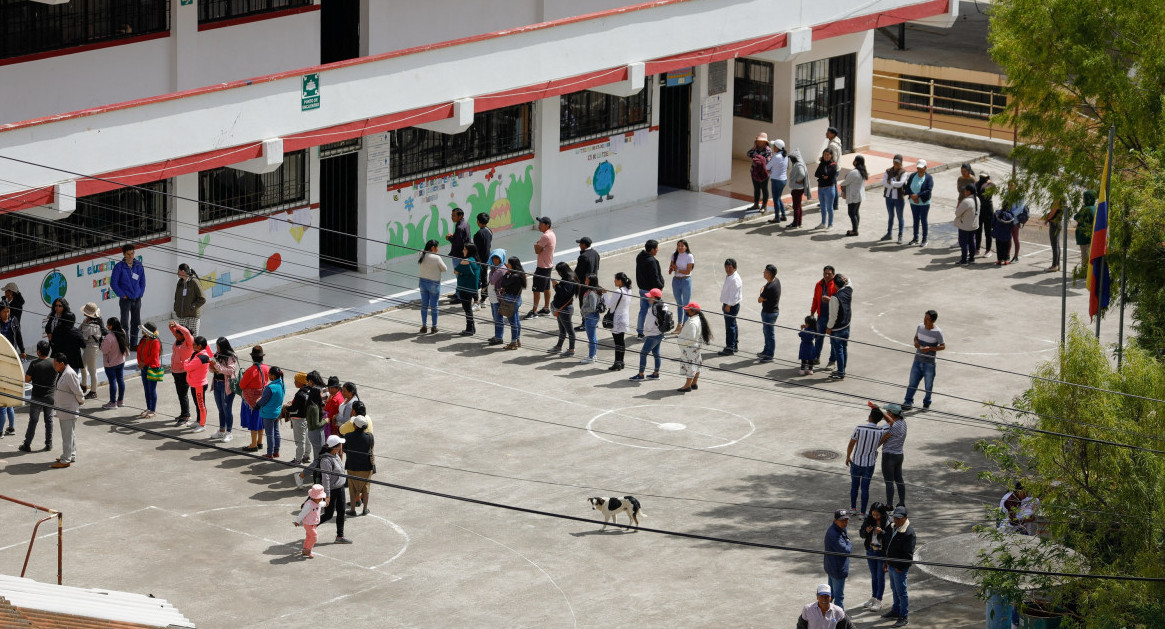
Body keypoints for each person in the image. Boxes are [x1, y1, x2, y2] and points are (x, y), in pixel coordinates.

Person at [846, 404, 887, 516]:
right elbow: (891, 423)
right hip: (869, 464)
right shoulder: (881, 430)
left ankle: (853, 508)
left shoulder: (859, 428)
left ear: (869, 416)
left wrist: (848, 456)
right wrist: (880, 410)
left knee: (854, 486)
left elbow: (851, 444)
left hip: (856, 462)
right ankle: (863, 513)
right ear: (879, 419)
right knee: (865, 488)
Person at [902, 310, 945, 411]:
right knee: (912, 383)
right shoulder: (920, 327)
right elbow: (916, 337)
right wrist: (916, 342)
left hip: (929, 363)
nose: (925, 321)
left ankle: (926, 403)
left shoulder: (938, 332)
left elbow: (943, 346)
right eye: (925, 318)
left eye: (928, 319)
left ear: (933, 321)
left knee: (928, 385)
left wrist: (929, 348)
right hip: (917, 360)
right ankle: (908, 402)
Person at [883, 505, 916, 627]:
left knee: (901, 592)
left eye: (899, 519)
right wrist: (886, 562)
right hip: (891, 565)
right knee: (894, 589)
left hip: (899, 568)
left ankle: (904, 616)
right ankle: (895, 610)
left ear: (905, 518)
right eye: (895, 518)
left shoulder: (908, 533)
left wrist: (899, 567)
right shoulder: (893, 527)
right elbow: (888, 545)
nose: (896, 521)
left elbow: (908, 555)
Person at [19, 341, 55, 452]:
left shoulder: (34, 364)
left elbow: (27, 379)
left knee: (33, 421)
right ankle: (49, 443)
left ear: (39, 351)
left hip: (37, 396)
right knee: (49, 420)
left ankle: (27, 444)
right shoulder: (54, 362)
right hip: (50, 396)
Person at [317, 434, 353, 544]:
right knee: (328, 515)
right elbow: (325, 479)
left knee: (341, 512)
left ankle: (340, 536)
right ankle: (311, 525)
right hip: (332, 491)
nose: (342, 446)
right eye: (340, 444)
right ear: (335, 447)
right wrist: (327, 495)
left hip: (340, 489)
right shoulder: (326, 460)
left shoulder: (336, 455)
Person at [51, 353, 85, 468]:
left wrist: (81, 401)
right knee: (70, 434)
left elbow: (78, 390)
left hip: (68, 409)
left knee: (67, 436)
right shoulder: (61, 373)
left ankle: (66, 460)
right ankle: (71, 454)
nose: (54, 366)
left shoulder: (69, 374)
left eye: (55, 364)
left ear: (62, 363)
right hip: (63, 409)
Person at [858, 502, 892, 612]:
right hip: (870, 550)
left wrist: (882, 532)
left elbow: (890, 539)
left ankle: (879, 600)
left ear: (882, 513)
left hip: (881, 553)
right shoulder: (869, 520)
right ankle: (873, 597)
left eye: (877, 515)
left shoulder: (888, 522)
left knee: (880, 576)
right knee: (874, 576)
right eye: (873, 514)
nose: (875, 517)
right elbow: (861, 534)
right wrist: (866, 531)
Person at [629, 288, 668, 382]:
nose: (648, 298)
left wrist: (645, 333)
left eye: (650, 297)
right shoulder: (663, 306)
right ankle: (656, 373)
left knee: (643, 353)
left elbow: (649, 325)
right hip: (660, 334)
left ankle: (641, 374)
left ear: (655, 297)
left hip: (653, 335)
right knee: (656, 354)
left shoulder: (653, 309)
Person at [111, 244, 146, 347]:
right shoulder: (119, 267)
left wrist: (140, 293)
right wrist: (122, 295)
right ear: (124, 254)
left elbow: (143, 281)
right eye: (128, 254)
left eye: (132, 253)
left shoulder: (138, 265)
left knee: (136, 322)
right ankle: (125, 344)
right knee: (124, 323)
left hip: (137, 299)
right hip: (125, 300)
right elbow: (114, 283)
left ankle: (134, 344)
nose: (131, 256)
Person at [239, 346, 270, 452]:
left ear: (252, 357)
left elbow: (242, 385)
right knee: (261, 420)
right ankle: (260, 442)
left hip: (252, 400)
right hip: (263, 398)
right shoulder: (266, 368)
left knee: (253, 421)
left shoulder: (251, 370)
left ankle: (253, 444)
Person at [875, 403, 907, 507]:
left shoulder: (891, 426)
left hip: (889, 456)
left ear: (892, 414)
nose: (887, 414)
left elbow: (881, 438)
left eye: (888, 412)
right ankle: (901, 502)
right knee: (899, 480)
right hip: (899, 455)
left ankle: (889, 505)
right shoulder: (903, 422)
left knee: (889, 482)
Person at [343, 416, 375, 517]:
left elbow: (345, 449)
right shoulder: (370, 436)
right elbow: (371, 448)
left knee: (352, 489)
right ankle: (365, 509)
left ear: (354, 425)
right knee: (366, 489)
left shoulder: (347, 436)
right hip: (366, 467)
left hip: (352, 466)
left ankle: (352, 509)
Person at [675, 302, 710, 392]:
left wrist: (681, 341)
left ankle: (687, 386)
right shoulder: (697, 319)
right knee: (697, 364)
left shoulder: (692, 323)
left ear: (692, 311)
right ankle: (694, 383)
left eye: (687, 309)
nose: (686, 311)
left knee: (690, 366)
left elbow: (691, 337)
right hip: (695, 347)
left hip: (689, 348)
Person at [209, 337, 239, 442]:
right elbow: (213, 370)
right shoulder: (217, 354)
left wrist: (217, 366)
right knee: (220, 409)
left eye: (219, 346)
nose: (217, 349)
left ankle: (229, 432)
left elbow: (230, 371)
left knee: (227, 409)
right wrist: (211, 367)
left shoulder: (231, 356)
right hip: (217, 383)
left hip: (227, 386)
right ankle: (221, 430)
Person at [634, 240, 665, 338]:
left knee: (642, 311)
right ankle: (656, 331)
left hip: (642, 289)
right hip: (652, 292)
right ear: (652, 249)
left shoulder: (639, 257)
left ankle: (640, 332)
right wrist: (660, 286)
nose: (657, 250)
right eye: (656, 248)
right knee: (656, 312)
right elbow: (655, 277)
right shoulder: (652, 261)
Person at [526, 216, 556, 318]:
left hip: (542, 267)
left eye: (541, 224)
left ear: (547, 225)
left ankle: (534, 311)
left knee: (536, 290)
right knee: (546, 287)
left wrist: (536, 244)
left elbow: (537, 250)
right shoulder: (551, 234)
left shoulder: (545, 236)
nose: (539, 226)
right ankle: (546, 308)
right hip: (548, 265)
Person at [825, 274, 853, 381]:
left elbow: (833, 316)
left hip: (837, 329)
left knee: (839, 350)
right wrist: (847, 278)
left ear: (835, 285)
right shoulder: (849, 290)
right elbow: (850, 282)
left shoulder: (835, 297)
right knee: (844, 348)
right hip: (846, 325)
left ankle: (841, 373)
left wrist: (829, 327)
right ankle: (842, 370)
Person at [182, 334, 212, 432]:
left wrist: (186, 361)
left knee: (201, 405)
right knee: (197, 404)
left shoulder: (201, 357)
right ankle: (199, 420)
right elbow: (189, 362)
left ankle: (202, 425)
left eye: (194, 344)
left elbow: (187, 367)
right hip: (195, 383)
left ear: (199, 346)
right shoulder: (197, 354)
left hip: (199, 385)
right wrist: (188, 361)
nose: (192, 346)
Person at [823, 509, 853, 609]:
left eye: (846, 520)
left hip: (833, 567)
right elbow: (846, 550)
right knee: (838, 597)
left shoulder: (840, 529)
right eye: (842, 520)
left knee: (830, 595)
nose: (845, 523)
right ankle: (839, 621)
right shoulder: (834, 534)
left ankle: (826, 616)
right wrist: (849, 542)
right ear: (835, 520)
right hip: (837, 569)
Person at [809, 266, 838, 369]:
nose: (826, 275)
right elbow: (815, 299)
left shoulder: (836, 285)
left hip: (832, 318)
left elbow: (838, 301)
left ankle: (832, 361)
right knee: (818, 338)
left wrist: (829, 299)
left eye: (829, 274)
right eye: (825, 273)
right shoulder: (819, 284)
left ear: (833, 275)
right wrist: (812, 312)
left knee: (833, 340)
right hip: (821, 316)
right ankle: (816, 357)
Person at [417, 239, 447, 334]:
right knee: (434, 306)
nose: (438, 249)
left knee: (424, 305)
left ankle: (424, 326)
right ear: (432, 248)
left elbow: (422, 251)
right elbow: (444, 269)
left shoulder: (421, 254)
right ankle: (434, 327)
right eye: (437, 247)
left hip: (422, 282)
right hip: (434, 283)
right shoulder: (436, 258)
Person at [603, 272, 633, 371]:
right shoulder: (629, 290)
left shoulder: (618, 291)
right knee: (621, 341)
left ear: (620, 280)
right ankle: (621, 362)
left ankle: (617, 363)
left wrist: (605, 294)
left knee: (617, 342)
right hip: (625, 318)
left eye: (616, 279)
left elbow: (609, 304)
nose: (614, 281)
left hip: (617, 318)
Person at [99, 317, 129, 410]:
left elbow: (104, 350)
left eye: (108, 325)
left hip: (110, 363)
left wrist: (101, 343)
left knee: (112, 382)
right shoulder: (122, 332)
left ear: (111, 326)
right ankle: (120, 400)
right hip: (120, 361)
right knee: (120, 380)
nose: (107, 326)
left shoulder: (109, 337)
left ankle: (112, 402)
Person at [549, 262, 577, 358]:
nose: (558, 273)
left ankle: (571, 350)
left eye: (559, 271)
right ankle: (558, 346)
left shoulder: (569, 280)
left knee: (569, 330)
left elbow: (564, 294)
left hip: (564, 309)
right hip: (562, 308)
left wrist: (556, 285)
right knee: (562, 330)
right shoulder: (569, 278)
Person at [258, 366, 286, 458]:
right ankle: (276, 451)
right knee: (276, 432)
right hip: (277, 413)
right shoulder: (282, 385)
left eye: (269, 374)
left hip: (268, 414)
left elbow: (263, 400)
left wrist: (256, 404)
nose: (268, 376)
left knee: (270, 434)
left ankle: (269, 453)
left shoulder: (270, 387)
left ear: (273, 376)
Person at [904, 160, 933, 247]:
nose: (919, 169)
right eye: (918, 168)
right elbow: (907, 187)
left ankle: (924, 239)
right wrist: (912, 196)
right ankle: (915, 238)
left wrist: (918, 196)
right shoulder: (913, 175)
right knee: (915, 220)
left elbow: (928, 190)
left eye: (921, 168)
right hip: (913, 202)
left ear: (925, 168)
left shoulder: (928, 178)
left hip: (924, 203)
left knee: (924, 220)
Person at [454, 243, 480, 336]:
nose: (463, 251)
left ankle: (469, 329)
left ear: (469, 250)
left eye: (464, 249)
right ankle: (472, 328)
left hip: (465, 288)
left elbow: (456, 271)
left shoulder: (466, 261)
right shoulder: (476, 260)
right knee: (468, 309)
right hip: (473, 288)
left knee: (467, 309)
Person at [500, 256, 526, 350]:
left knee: (513, 322)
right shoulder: (520, 274)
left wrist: (506, 274)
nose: (507, 265)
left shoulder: (513, 276)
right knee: (516, 321)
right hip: (517, 299)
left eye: (509, 263)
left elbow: (503, 283)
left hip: (510, 300)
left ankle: (513, 342)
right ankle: (517, 339)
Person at [136, 323, 162, 419]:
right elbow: (139, 351)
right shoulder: (143, 339)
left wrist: (143, 363)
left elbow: (154, 356)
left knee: (152, 390)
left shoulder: (155, 341)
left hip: (152, 368)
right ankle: (148, 407)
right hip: (144, 367)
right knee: (146, 389)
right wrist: (140, 362)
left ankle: (153, 410)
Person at [294, 484, 326, 559]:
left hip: (313, 523)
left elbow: (321, 504)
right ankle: (308, 550)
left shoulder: (317, 502)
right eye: (320, 498)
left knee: (309, 536)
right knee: (314, 537)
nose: (321, 499)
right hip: (308, 524)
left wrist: (326, 503)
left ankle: (305, 548)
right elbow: (302, 513)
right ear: (314, 497)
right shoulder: (309, 505)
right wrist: (297, 521)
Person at [881, 155, 909, 243]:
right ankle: (889, 233)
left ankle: (900, 235)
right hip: (889, 197)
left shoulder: (903, 172)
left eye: (897, 162)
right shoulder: (888, 171)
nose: (895, 164)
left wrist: (891, 182)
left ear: (901, 163)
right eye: (894, 162)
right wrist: (893, 184)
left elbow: (900, 184)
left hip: (898, 198)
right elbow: (884, 183)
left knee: (900, 216)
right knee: (890, 216)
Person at [78, 302, 103, 399]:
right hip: (87, 348)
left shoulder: (92, 326)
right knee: (82, 366)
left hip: (92, 349)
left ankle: (93, 391)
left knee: (92, 370)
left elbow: (83, 337)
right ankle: (84, 385)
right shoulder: (86, 321)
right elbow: (79, 330)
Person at [485, 248, 509, 345]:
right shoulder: (496, 268)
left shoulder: (500, 269)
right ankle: (497, 335)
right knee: (495, 318)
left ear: (501, 259)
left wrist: (491, 271)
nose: (495, 260)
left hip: (497, 298)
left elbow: (492, 280)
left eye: (497, 259)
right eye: (494, 258)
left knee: (498, 318)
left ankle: (499, 338)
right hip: (493, 297)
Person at [445, 208, 470, 300]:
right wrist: (454, 236)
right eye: (452, 215)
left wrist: (449, 238)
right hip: (463, 254)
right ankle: (458, 292)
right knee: (460, 275)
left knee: (459, 276)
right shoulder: (465, 224)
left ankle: (460, 296)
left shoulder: (459, 227)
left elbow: (458, 243)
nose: (452, 217)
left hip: (458, 255)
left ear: (460, 216)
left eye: (454, 215)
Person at [48, 312, 84, 376]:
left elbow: (52, 343)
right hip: (74, 361)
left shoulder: (57, 330)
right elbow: (83, 345)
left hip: (60, 361)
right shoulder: (76, 332)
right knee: (73, 381)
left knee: (60, 381)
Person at [173, 264, 206, 335]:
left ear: (183, 271)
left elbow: (202, 298)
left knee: (192, 339)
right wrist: (176, 308)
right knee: (183, 338)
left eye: (178, 271)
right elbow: (176, 297)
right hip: (182, 316)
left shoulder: (194, 281)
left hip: (192, 316)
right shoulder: (180, 282)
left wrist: (192, 307)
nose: (177, 273)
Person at [719, 259, 743, 356]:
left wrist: (728, 305)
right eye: (726, 267)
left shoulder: (735, 279)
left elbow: (734, 295)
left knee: (730, 327)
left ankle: (730, 347)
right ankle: (734, 345)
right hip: (728, 304)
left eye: (730, 267)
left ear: (734, 268)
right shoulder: (730, 276)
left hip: (731, 306)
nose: (728, 269)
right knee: (733, 325)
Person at [757, 264, 781, 363]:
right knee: (766, 332)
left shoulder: (769, 287)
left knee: (769, 334)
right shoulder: (776, 281)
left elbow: (759, 300)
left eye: (765, 271)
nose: (764, 273)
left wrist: (761, 292)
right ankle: (766, 351)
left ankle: (769, 355)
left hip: (768, 313)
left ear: (769, 274)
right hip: (772, 312)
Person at [668, 240, 695, 324]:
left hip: (685, 281)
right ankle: (679, 324)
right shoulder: (674, 254)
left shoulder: (689, 256)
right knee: (679, 304)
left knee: (686, 304)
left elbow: (688, 271)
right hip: (676, 280)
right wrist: (671, 268)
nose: (680, 247)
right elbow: (671, 266)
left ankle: (685, 324)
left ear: (686, 247)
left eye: (682, 246)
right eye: (678, 245)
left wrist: (677, 269)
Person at [840, 155, 868, 236]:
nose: (853, 161)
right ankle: (855, 228)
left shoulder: (855, 172)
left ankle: (855, 230)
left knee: (851, 213)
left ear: (857, 162)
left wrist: (841, 184)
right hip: (859, 195)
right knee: (856, 212)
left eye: (855, 160)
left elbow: (846, 182)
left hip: (853, 196)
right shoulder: (862, 171)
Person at [954, 184, 981, 265]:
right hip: (973, 225)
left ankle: (964, 260)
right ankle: (972, 258)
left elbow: (957, 213)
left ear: (968, 192)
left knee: (964, 243)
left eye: (965, 190)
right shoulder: (977, 199)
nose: (964, 192)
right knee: (972, 241)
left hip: (965, 226)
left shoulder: (966, 201)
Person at [747, 132, 773, 211]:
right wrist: (754, 147)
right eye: (757, 141)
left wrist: (758, 158)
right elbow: (748, 154)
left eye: (760, 141)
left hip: (764, 173)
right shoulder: (755, 149)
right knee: (756, 188)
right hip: (754, 172)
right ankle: (756, 204)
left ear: (765, 142)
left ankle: (764, 206)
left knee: (764, 189)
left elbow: (767, 161)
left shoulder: (768, 150)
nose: (758, 142)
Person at [579, 274, 602, 364]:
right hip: (592, 317)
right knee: (593, 337)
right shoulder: (594, 291)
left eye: (587, 280)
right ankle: (593, 355)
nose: (585, 281)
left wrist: (583, 309)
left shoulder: (592, 293)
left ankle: (591, 357)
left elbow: (592, 307)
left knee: (591, 338)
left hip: (590, 316)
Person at [787, 148, 812, 228]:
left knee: (796, 206)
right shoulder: (799, 163)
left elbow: (802, 174)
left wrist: (798, 180)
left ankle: (795, 223)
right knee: (798, 206)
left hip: (797, 188)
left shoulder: (798, 165)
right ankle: (799, 222)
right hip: (798, 188)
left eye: (792, 158)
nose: (791, 159)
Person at [814, 149, 839, 230]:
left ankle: (830, 224)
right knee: (822, 207)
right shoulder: (822, 164)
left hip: (829, 188)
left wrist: (823, 174)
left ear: (831, 155)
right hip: (821, 187)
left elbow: (828, 174)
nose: (826, 156)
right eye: (825, 154)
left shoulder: (833, 164)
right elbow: (816, 174)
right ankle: (823, 223)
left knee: (829, 207)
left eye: (828, 155)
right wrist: (823, 176)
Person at [1074, 190, 1096, 276]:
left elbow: (1076, 217)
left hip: (1084, 236)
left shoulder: (1086, 209)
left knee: (1084, 255)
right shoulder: (1094, 208)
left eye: (1084, 198)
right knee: (1090, 255)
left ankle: (1084, 273)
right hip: (1091, 235)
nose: (1083, 200)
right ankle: (1090, 272)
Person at [473, 212, 493, 306]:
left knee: (476, 280)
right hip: (487, 259)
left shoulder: (478, 234)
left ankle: (476, 301)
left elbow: (476, 249)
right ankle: (483, 299)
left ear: (478, 221)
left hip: (479, 261)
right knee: (484, 279)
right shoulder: (489, 231)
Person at [767, 138, 789, 222]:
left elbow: (767, 167)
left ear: (777, 147)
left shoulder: (776, 156)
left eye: (774, 146)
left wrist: (770, 170)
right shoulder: (785, 156)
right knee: (779, 198)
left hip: (776, 180)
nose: (773, 147)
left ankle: (777, 217)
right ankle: (783, 215)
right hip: (783, 180)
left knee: (776, 200)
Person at [1006, 184, 1029, 263]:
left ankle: (1016, 256)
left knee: (1015, 238)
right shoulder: (1006, 193)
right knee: (1008, 238)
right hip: (1007, 219)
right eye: (1009, 185)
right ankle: (1007, 255)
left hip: (1015, 220)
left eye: (1012, 185)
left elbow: (1020, 208)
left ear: (1015, 186)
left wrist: (1012, 214)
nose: (1010, 187)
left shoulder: (1020, 195)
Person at [975, 171, 996, 254]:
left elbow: (986, 190)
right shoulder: (977, 184)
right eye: (980, 177)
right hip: (979, 210)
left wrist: (989, 183)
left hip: (988, 210)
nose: (982, 179)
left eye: (984, 177)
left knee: (988, 231)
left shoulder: (990, 185)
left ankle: (988, 250)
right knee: (978, 230)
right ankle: (977, 248)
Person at [1042, 197, 1065, 272]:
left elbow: (1053, 212)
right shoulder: (1062, 199)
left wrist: (1047, 219)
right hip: (1058, 223)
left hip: (1054, 223)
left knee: (1054, 245)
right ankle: (1057, 264)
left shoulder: (1057, 200)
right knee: (1057, 245)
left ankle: (1054, 265)